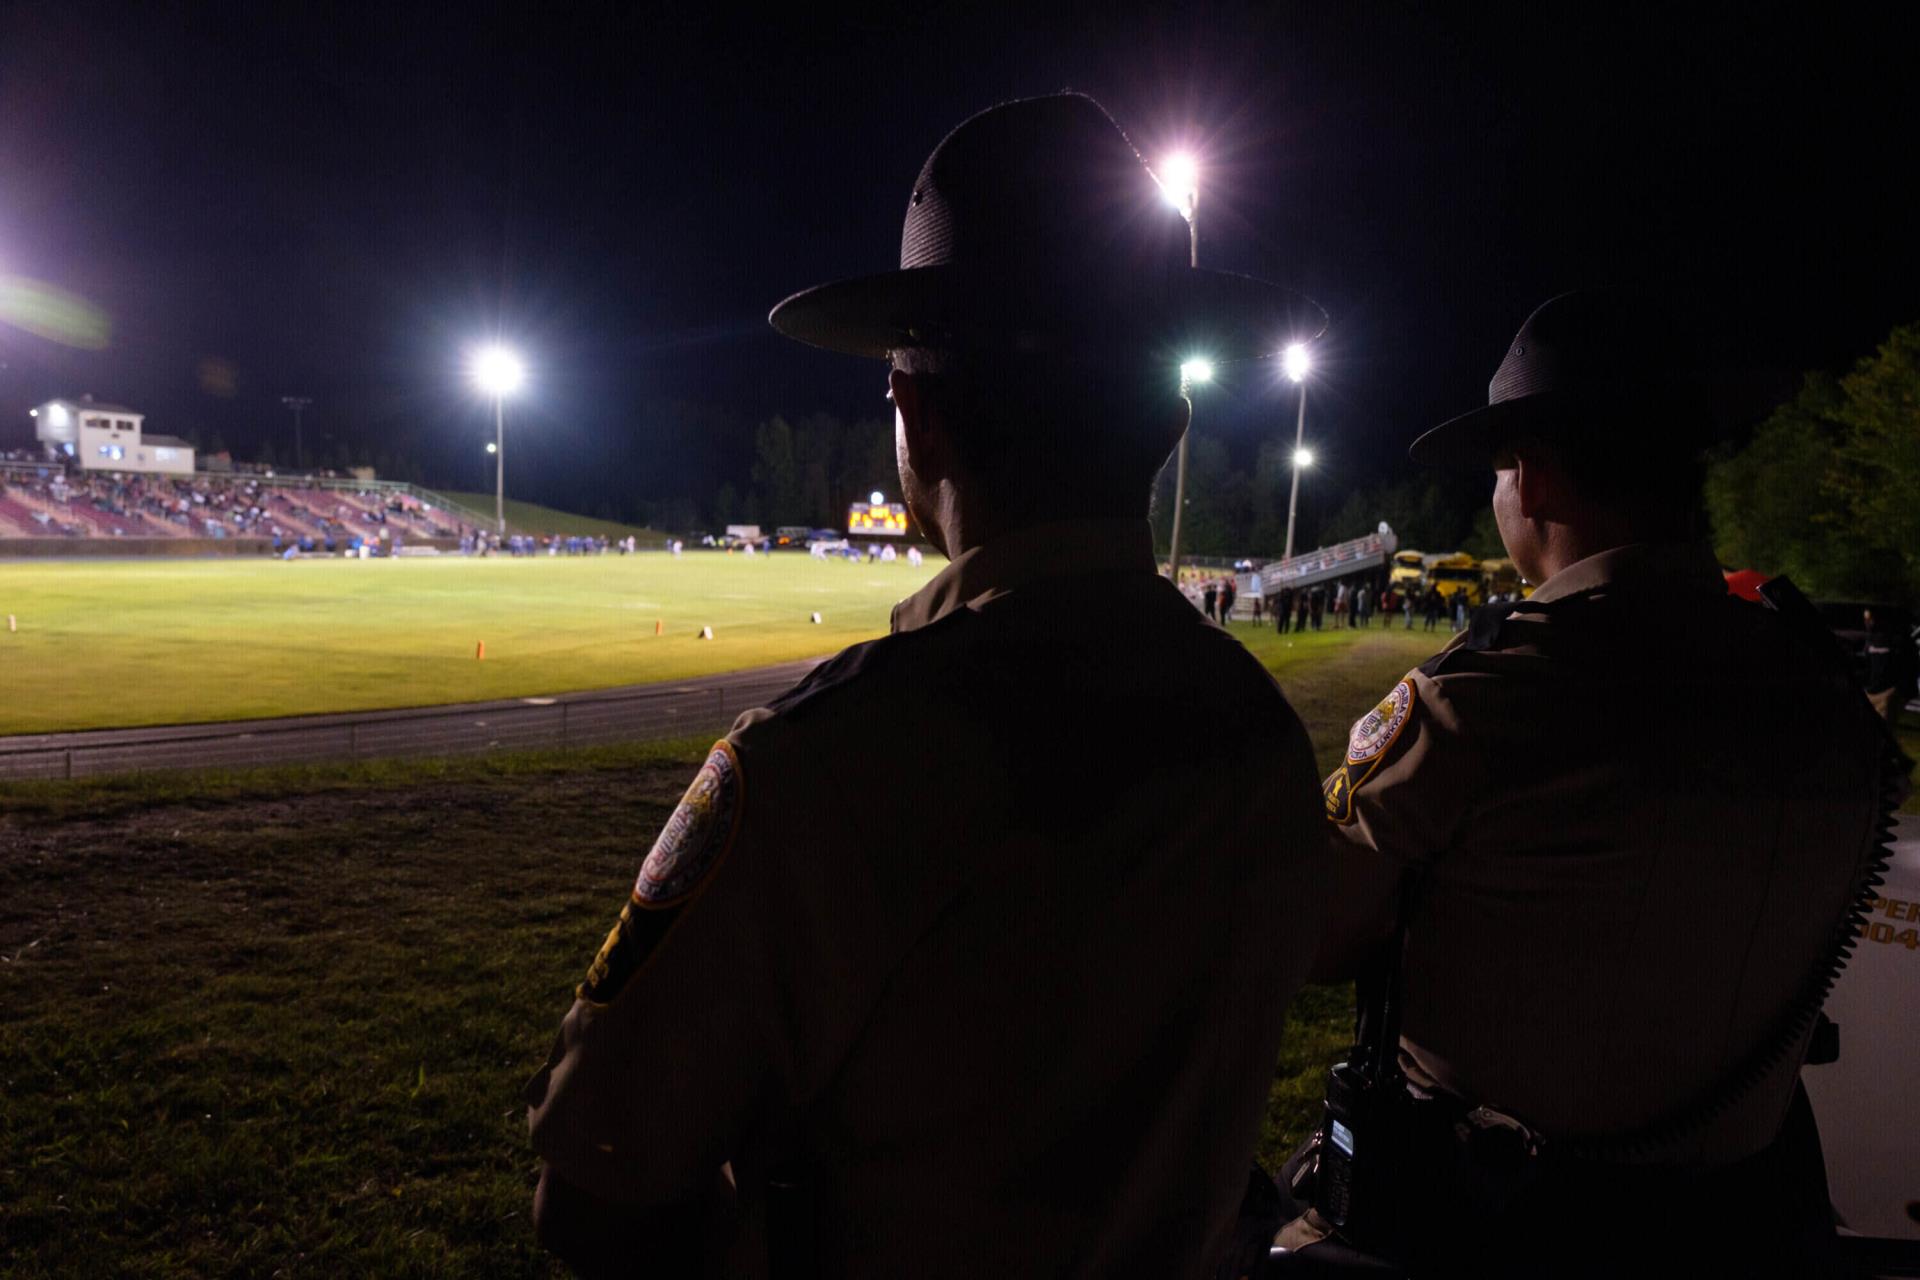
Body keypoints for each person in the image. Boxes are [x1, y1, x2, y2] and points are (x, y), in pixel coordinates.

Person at [526, 92, 1331, 1279]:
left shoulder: (828, 764)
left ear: (914, 418)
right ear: (1168, 418)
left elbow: (594, 1188)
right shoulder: (1261, 738)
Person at [1278, 290, 1900, 1276]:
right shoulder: (1824, 695)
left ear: (1531, 472)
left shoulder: (1485, 698)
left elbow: (1305, 931)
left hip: (1483, 1226)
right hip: (1746, 1225)